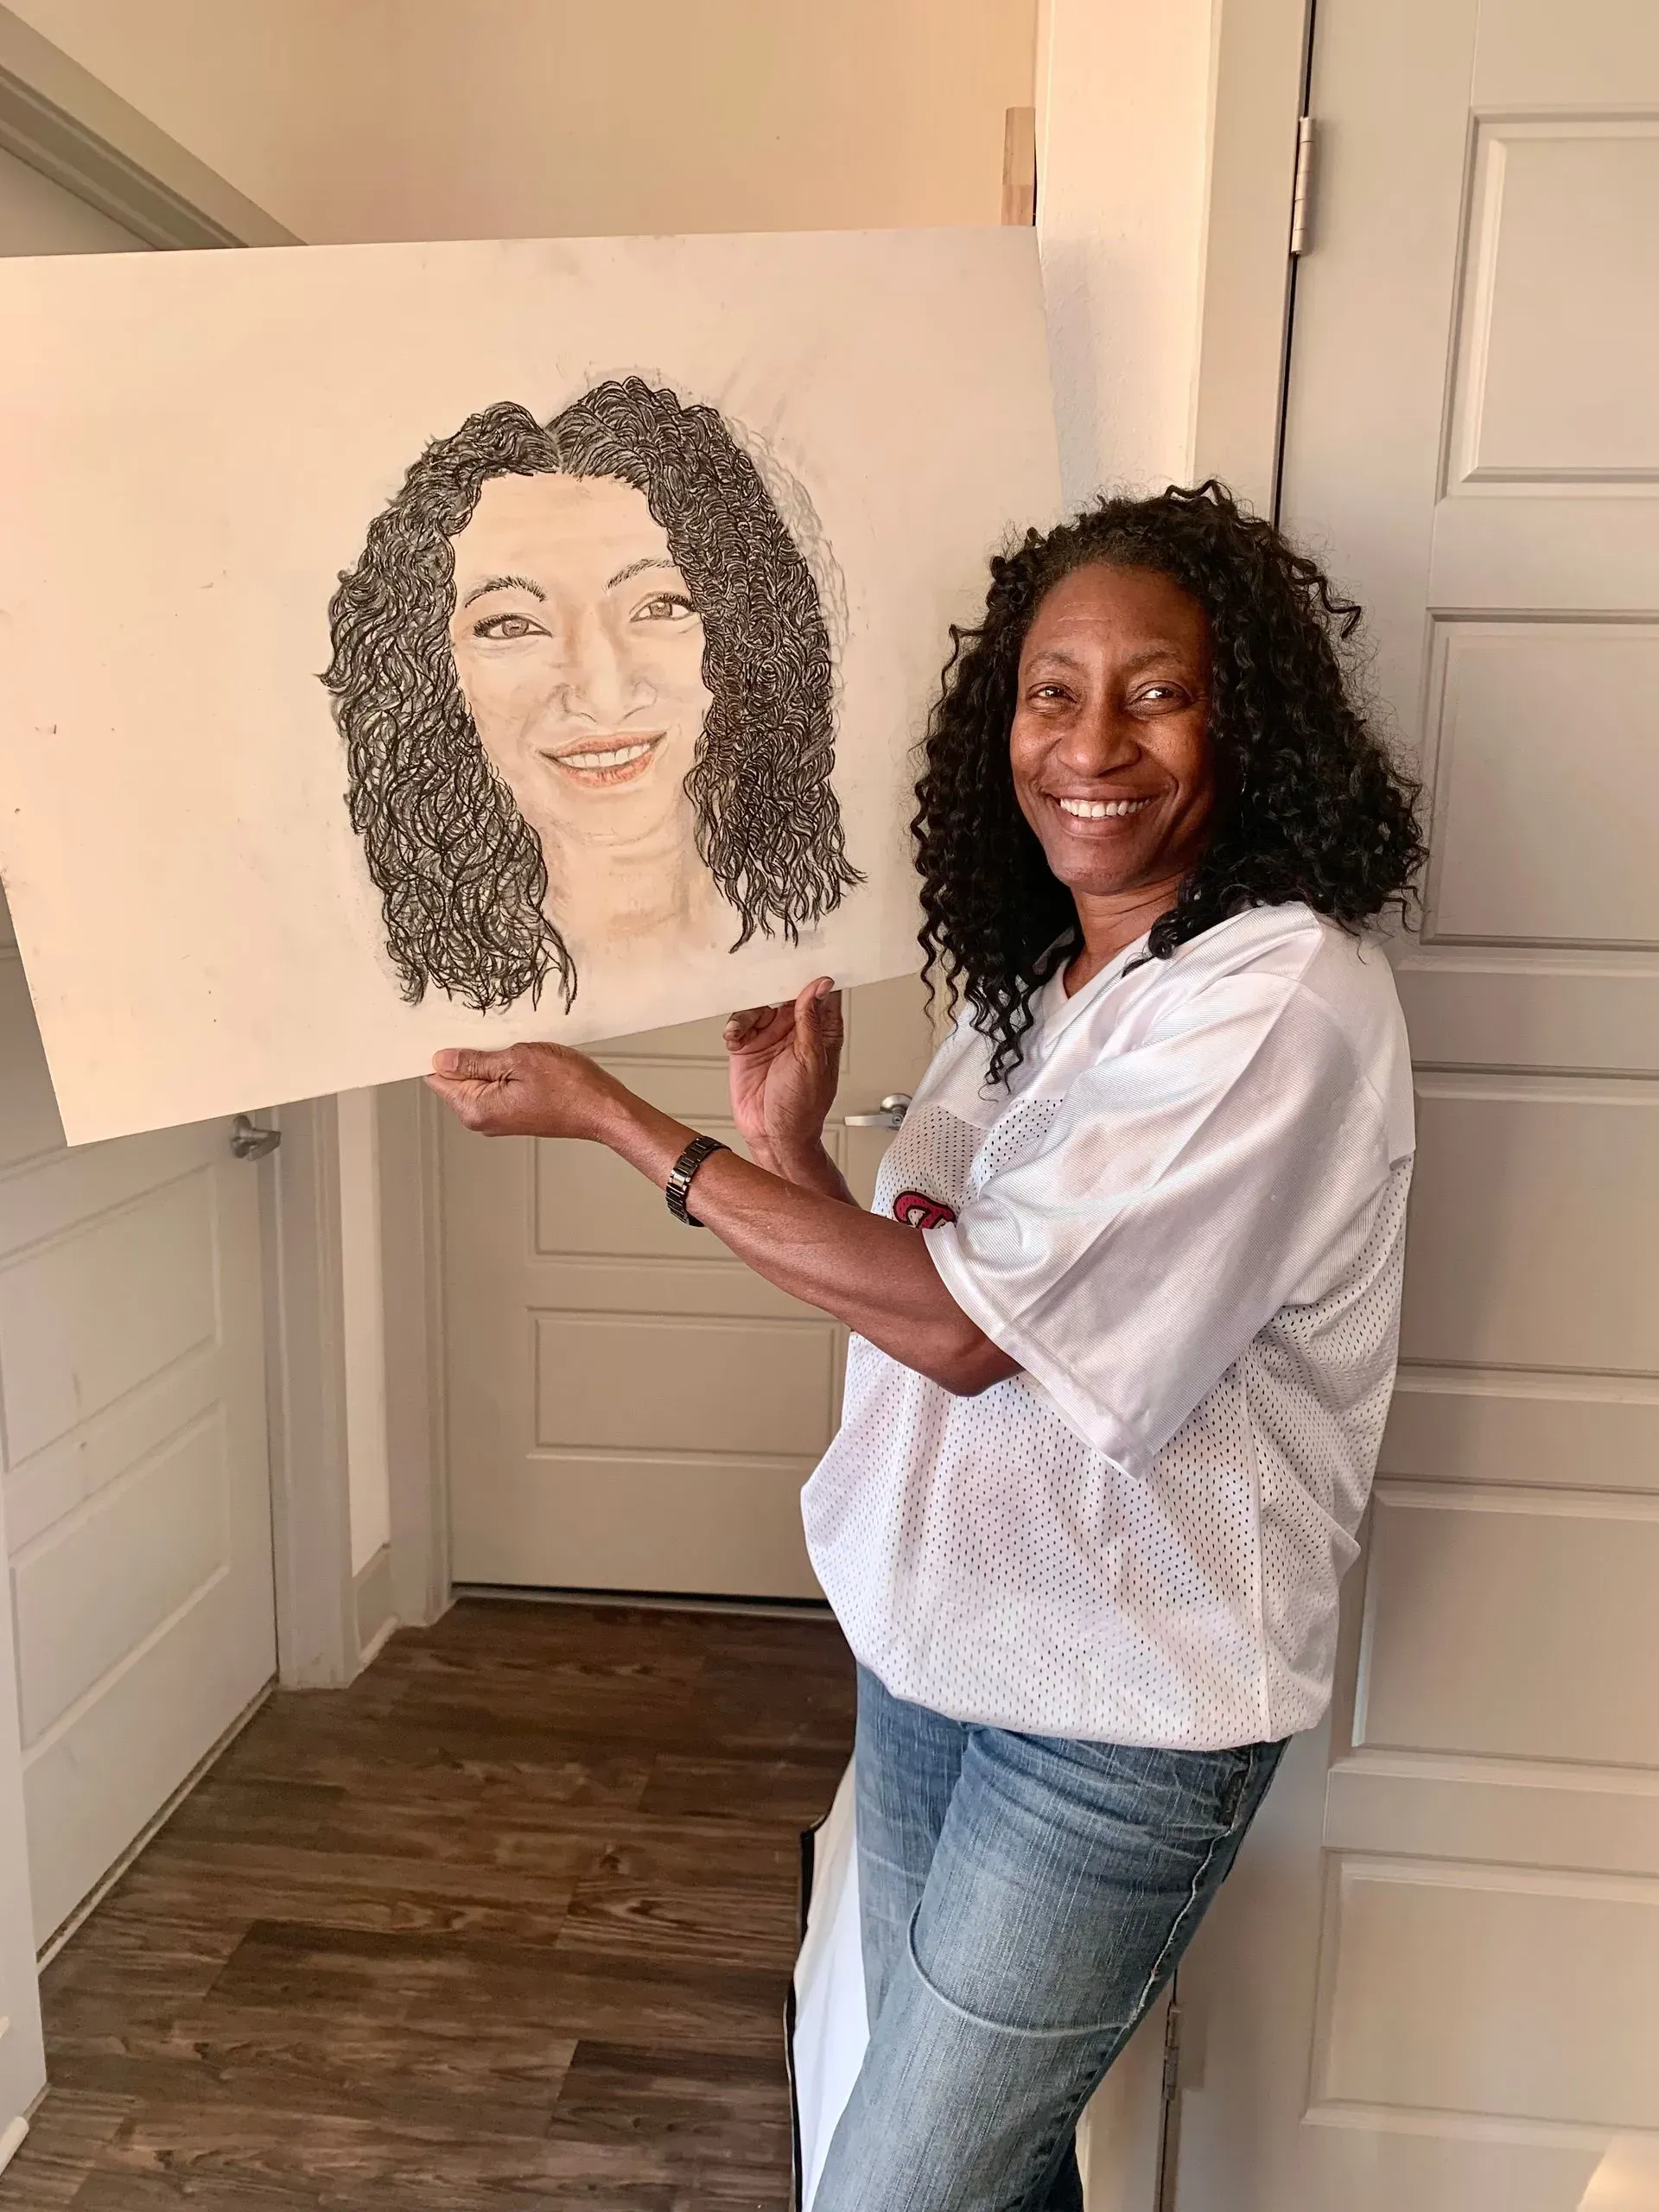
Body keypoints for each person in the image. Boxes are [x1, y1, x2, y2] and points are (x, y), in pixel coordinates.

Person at [426, 482, 1426, 2210]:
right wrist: (793, 1146)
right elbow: (929, 1287)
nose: (1091, 739)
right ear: (1002, 718)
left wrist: (615, 1116)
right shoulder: (1042, 980)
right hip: (935, 1645)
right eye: (1052, 689)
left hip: (1119, 1709)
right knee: (986, 2154)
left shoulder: (1278, 1002)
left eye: (1156, 688)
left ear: (1244, 716)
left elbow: (974, 1338)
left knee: (897, 2184)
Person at [323, 378, 858, 1013]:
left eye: (661, 605)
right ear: (430, 672)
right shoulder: (426, 1002)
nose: (602, 695)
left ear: (744, 634)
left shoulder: (814, 943)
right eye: (512, 625)